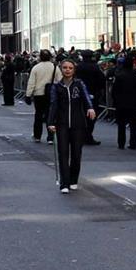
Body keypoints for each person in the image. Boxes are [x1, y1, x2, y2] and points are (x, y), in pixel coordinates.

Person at [47, 59, 96, 194]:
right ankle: (64, 183)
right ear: (61, 69)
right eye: (65, 68)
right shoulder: (56, 87)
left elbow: (86, 98)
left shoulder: (79, 84)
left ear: (74, 70)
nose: (67, 70)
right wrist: (50, 122)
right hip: (61, 124)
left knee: (76, 153)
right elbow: (53, 105)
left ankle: (74, 179)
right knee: (63, 153)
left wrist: (90, 108)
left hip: (78, 124)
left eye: (70, 68)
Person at [26, 50, 58, 144]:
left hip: (38, 94)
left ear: (40, 57)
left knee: (38, 115)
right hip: (51, 94)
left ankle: (37, 136)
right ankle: (50, 137)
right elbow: (60, 80)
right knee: (50, 115)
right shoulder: (55, 67)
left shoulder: (36, 68)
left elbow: (31, 82)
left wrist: (28, 94)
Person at [111, 56, 136, 150]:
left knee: (121, 124)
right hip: (134, 103)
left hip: (121, 103)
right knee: (134, 125)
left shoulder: (119, 76)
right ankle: (133, 144)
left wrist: (115, 101)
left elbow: (114, 90)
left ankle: (121, 143)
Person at [75, 50, 104, 145]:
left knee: (80, 115)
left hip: (80, 94)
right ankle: (88, 136)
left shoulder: (78, 67)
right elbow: (101, 80)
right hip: (93, 93)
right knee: (91, 116)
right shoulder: (95, 67)